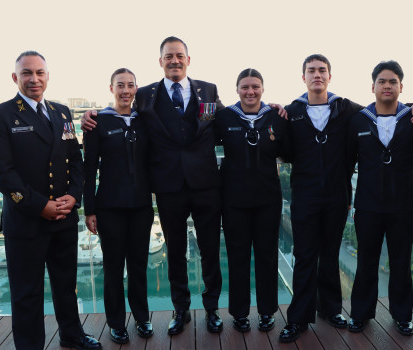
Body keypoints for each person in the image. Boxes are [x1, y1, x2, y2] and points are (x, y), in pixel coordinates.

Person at [82, 36, 224, 335]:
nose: (174, 60)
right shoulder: (145, 95)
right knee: (175, 251)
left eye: (179, 55)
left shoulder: (208, 90)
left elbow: (221, 122)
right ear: (160, 61)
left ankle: (212, 309)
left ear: (188, 59)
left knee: (210, 248)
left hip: (205, 183)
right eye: (168, 56)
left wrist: (270, 107)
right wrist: (89, 114)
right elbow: (119, 114)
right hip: (168, 185)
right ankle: (180, 309)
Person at [0, 51, 101, 350]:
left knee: (66, 286)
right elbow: (1, 173)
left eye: (39, 73)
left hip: (63, 218)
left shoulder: (61, 113)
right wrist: (41, 206)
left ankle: (71, 335)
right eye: (26, 73)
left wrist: (73, 196)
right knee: (27, 292)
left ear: (47, 76)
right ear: (15, 78)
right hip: (26, 221)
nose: (34, 79)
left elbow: (76, 160)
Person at [278, 54, 363, 343]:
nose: (317, 75)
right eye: (311, 71)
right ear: (303, 77)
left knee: (330, 254)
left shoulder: (347, 108)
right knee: (304, 256)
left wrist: (412, 106)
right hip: (304, 195)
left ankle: (331, 310)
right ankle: (298, 318)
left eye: (322, 70)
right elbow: (281, 143)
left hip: (337, 195)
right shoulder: (292, 111)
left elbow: (380, 109)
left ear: (330, 76)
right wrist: (273, 108)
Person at [347, 60, 413, 335]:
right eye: (382, 81)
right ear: (373, 87)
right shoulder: (358, 120)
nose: (387, 86)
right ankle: (360, 313)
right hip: (367, 204)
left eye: (393, 81)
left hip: (402, 205)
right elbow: (345, 162)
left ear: (401, 87)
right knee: (366, 260)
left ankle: (402, 315)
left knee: (401, 262)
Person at [214, 69, 290, 332]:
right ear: (237, 90)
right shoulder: (223, 117)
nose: (250, 92)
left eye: (255, 87)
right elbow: (197, 136)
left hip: (268, 199)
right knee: (237, 258)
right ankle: (239, 313)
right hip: (234, 199)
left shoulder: (276, 118)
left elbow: (291, 150)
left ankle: (267, 311)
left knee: (267, 258)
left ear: (263, 89)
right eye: (245, 87)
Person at [83, 68, 154, 344]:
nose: (126, 90)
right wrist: (90, 210)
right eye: (120, 85)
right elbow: (89, 170)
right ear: (111, 88)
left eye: (131, 85)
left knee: (138, 265)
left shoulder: (145, 121)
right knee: (113, 267)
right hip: (109, 206)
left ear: (136, 89)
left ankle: (142, 318)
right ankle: (116, 323)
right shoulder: (97, 122)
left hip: (140, 206)